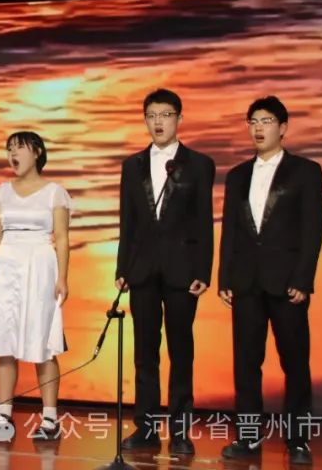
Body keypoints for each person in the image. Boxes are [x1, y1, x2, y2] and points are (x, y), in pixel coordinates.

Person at [219, 96, 322, 466]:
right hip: (246, 282)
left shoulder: (305, 171)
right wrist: (225, 277)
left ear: (283, 127)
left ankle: (298, 440)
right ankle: (248, 438)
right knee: (246, 364)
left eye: (265, 121)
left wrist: (303, 279)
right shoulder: (237, 175)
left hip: (287, 284)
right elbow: (230, 231)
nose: (258, 128)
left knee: (295, 363)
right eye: (253, 122)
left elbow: (313, 230)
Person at [115, 89, 215, 454]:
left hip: (182, 270)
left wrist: (203, 269)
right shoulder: (132, 166)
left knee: (181, 351)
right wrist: (122, 267)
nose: (158, 122)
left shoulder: (199, 164)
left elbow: (204, 222)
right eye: (152, 115)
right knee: (145, 352)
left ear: (179, 119)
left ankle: (181, 431)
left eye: (166, 115)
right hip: (142, 270)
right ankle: (145, 428)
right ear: (145, 120)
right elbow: (128, 222)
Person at [0, 131, 71, 442]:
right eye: (9, 149)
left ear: (37, 152)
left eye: (19, 148)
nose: (13, 154)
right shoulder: (1, 193)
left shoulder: (55, 193)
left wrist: (62, 277)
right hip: (6, 266)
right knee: (5, 343)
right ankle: (4, 414)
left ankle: (50, 419)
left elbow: (62, 238)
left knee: (43, 342)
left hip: (40, 265)